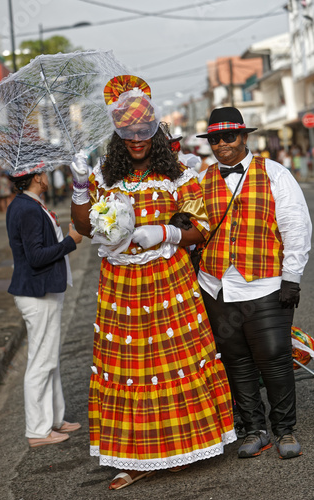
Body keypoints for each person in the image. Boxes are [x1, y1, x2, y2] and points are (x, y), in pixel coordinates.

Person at [70, 75, 236, 490]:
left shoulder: (177, 173)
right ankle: (136, 457)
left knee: (172, 363)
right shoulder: (105, 176)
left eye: (143, 131)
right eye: (128, 133)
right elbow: (85, 228)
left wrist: (166, 234)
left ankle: (182, 448)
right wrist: (77, 188)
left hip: (169, 284)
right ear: (118, 133)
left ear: (156, 130)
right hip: (122, 287)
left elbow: (201, 227)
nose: (137, 140)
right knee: (130, 369)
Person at [195, 107, 312, 459]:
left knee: (274, 357)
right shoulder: (201, 180)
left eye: (228, 137)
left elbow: (296, 227)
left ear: (244, 137)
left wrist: (291, 277)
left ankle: (285, 429)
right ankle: (253, 429)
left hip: (264, 284)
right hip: (216, 286)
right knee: (235, 360)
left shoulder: (274, 173)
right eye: (214, 139)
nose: (221, 145)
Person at [6, 166, 83, 448]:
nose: (49, 176)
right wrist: (69, 242)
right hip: (37, 292)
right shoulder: (26, 208)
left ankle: (54, 418)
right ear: (37, 177)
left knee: (50, 357)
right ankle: (38, 430)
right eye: (45, 173)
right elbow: (37, 256)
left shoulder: (29, 204)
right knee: (41, 361)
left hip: (45, 290)